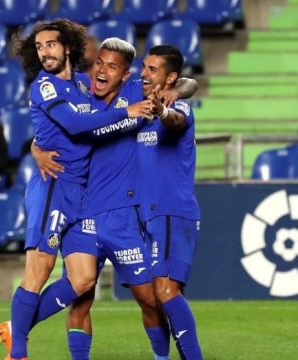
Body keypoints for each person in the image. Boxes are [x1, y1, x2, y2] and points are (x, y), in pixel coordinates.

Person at [30, 39, 198, 360]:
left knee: (149, 298)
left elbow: (187, 82)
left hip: (123, 213)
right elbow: (45, 132)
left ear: (125, 75)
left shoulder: (136, 91)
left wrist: (174, 92)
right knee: (81, 296)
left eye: (112, 66)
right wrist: (35, 150)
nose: (102, 71)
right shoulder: (77, 91)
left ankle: (161, 356)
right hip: (81, 212)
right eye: (99, 64)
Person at [0, 19, 154, 360]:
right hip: (54, 186)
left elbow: (104, 115)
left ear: (68, 47)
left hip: (81, 195)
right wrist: (37, 150)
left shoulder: (84, 85)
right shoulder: (45, 86)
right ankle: (18, 354)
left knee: (83, 280)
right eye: (39, 47)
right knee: (37, 271)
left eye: (50, 45)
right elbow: (75, 124)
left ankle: (16, 326)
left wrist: (169, 92)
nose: (44, 53)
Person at [138, 45, 203, 359]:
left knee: (165, 291)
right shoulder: (140, 106)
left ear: (170, 76)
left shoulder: (180, 109)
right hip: (148, 214)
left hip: (171, 210)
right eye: (144, 67)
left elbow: (175, 120)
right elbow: (189, 82)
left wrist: (164, 109)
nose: (144, 73)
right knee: (155, 297)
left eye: (152, 69)